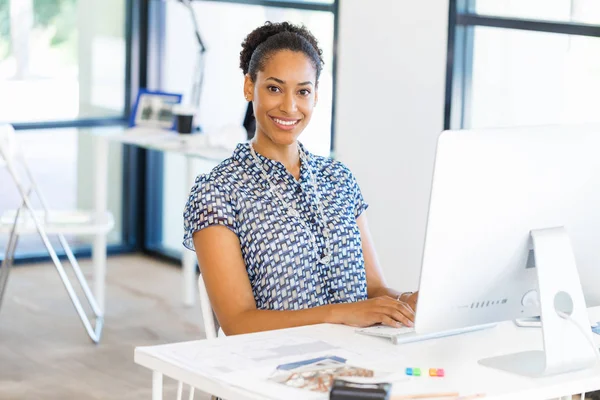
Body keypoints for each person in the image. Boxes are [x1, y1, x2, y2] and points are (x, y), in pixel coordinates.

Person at [183, 21, 418, 336]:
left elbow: (373, 290)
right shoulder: (218, 192)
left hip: (358, 358)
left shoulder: (339, 179)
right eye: (274, 88)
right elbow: (238, 323)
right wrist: (342, 314)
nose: (289, 106)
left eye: (303, 91)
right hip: (270, 369)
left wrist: (410, 301)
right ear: (249, 87)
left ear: (316, 96)